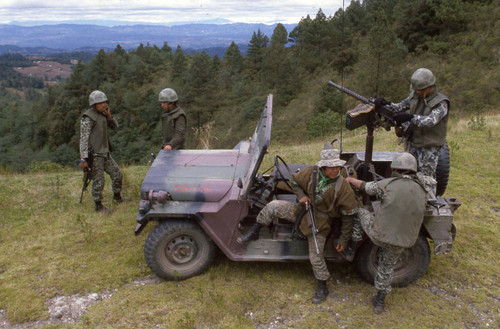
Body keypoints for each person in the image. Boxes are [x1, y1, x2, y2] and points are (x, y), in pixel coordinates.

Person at [237, 148, 358, 304]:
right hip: (301, 211)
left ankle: (323, 285)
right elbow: (294, 180)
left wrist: (343, 239)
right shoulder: (311, 173)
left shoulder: (343, 187)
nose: (335, 170)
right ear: (323, 167)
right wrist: (301, 196)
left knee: (315, 255)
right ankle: (254, 231)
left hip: (320, 222)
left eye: (337, 167)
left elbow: (349, 215)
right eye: (331, 167)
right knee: (273, 206)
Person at [345, 152, 427, 314]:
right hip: (403, 241)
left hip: (379, 236)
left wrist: (349, 180)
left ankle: (351, 248)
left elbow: (365, 187)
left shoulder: (388, 184)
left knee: (360, 211)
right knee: (386, 267)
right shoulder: (422, 190)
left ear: (395, 169)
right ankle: (380, 301)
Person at [375, 68, 449, 195]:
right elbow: (399, 107)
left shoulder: (441, 103)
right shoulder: (414, 96)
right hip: (412, 143)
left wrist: (410, 117)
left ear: (429, 87)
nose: (417, 92)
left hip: (428, 148)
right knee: (407, 174)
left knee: (427, 180)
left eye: (419, 90)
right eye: (416, 90)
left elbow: (430, 121)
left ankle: (428, 205)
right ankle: (409, 199)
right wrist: (385, 103)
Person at [79, 90, 129, 213]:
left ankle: (117, 197)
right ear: (93, 104)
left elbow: (115, 127)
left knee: (117, 174)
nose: (103, 105)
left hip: (105, 152)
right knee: (99, 180)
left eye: (104, 102)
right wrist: (84, 158)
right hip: (95, 154)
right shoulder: (88, 117)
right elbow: (83, 139)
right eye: (100, 103)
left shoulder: (103, 115)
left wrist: (109, 116)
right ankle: (98, 205)